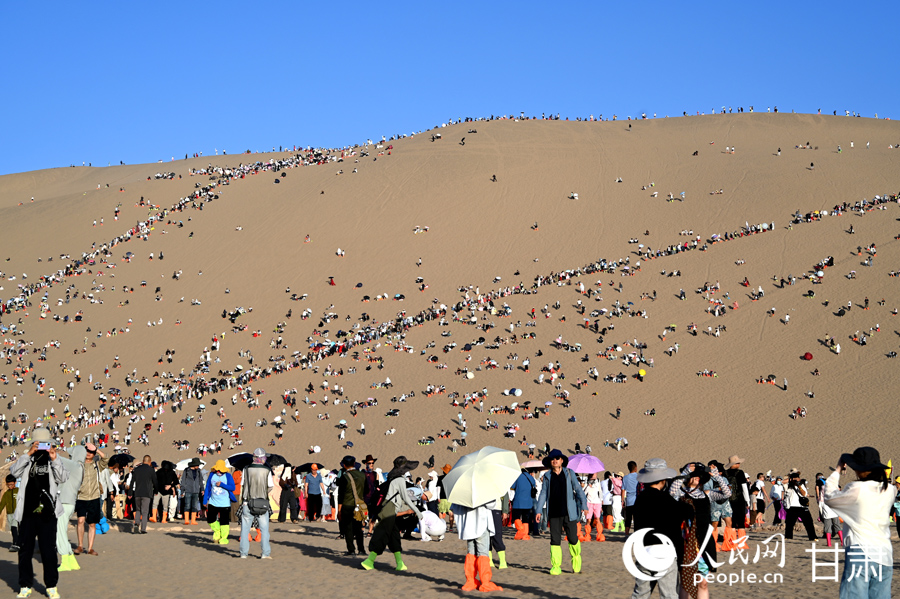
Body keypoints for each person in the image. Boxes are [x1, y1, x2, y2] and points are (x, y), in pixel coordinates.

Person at [824, 446, 896, 598]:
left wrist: (837, 470)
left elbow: (829, 497)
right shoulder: (890, 490)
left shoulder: (857, 488)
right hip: (885, 552)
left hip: (861, 550)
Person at [12, 428, 68, 599]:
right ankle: (25, 585)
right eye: (39, 444)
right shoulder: (27, 459)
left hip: (48, 514)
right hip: (27, 513)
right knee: (25, 551)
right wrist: (29, 453)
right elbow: (14, 472)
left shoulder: (54, 460)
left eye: (45, 444)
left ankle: (51, 586)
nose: (43, 447)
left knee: (49, 551)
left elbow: (63, 478)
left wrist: (54, 457)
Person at [629, 458, 693, 599]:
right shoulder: (665, 500)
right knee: (669, 594)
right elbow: (687, 511)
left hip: (644, 552)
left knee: (640, 594)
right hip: (664, 552)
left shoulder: (640, 499)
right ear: (663, 479)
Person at [670, 462, 732, 597]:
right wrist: (685, 472)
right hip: (686, 543)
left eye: (699, 476)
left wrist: (717, 477)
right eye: (694, 475)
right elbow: (672, 491)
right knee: (686, 582)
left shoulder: (707, 494)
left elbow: (727, 493)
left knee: (703, 582)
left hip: (704, 541)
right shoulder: (680, 493)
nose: (697, 477)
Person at [361, 456, 422, 572]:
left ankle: (400, 563)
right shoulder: (399, 480)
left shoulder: (393, 478)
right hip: (389, 509)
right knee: (382, 533)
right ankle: (369, 561)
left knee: (394, 535)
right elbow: (406, 498)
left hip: (389, 509)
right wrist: (418, 511)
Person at [534, 449, 588, 575]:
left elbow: (578, 489)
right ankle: (556, 566)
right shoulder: (547, 476)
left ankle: (576, 563)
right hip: (553, 513)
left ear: (562, 460)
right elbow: (543, 494)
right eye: (552, 459)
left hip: (569, 512)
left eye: (557, 458)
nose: (555, 461)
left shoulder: (569, 473)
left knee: (573, 538)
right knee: (555, 540)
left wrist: (584, 505)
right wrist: (538, 510)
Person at [453, 498, 502, 592]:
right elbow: (491, 505)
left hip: (467, 525)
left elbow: (454, 507)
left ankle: (470, 581)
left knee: (471, 553)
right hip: (481, 522)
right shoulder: (481, 489)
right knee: (483, 553)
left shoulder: (462, 490)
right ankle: (485, 583)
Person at [74, 442, 107, 556]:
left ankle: (90, 548)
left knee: (92, 524)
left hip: (94, 497)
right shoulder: (79, 464)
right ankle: (79, 545)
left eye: (91, 452)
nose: (89, 453)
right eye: (87, 451)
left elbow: (105, 459)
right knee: (80, 521)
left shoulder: (97, 465)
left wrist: (96, 449)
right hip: (81, 497)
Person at [239, 448, 273, 559]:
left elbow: (243, 485)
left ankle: (243, 554)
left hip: (247, 502)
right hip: (262, 503)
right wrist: (263, 493)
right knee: (264, 530)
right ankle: (265, 553)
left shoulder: (246, 469)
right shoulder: (267, 470)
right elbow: (270, 486)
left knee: (245, 530)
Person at [337, 455, 366, 555]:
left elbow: (341, 495)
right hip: (359, 505)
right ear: (354, 464)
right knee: (358, 528)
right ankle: (361, 550)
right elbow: (367, 490)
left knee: (348, 528)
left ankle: (351, 550)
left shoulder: (344, 477)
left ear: (344, 465)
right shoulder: (362, 475)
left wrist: (339, 510)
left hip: (347, 505)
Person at [203, 460, 236, 545]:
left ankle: (224, 538)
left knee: (224, 521)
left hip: (225, 503)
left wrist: (222, 485)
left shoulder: (228, 476)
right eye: (217, 470)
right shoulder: (212, 475)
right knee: (210, 519)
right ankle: (217, 531)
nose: (218, 472)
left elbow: (232, 488)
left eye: (220, 471)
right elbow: (207, 488)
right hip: (213, 502)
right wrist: (205, 500)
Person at [723, 455, 749, 549]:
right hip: (739, 498)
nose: (739, 464)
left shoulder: (725, 473)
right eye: (738, 462)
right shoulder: (740, 472)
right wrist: (747, 501)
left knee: (732, 521)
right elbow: (744, 487)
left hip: (728, 500)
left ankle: (732, 542)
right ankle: (742, 543)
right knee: (741, 520)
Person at [783, 471, 817, 541]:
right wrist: (790, 479)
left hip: (802, 507)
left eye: (797, 478)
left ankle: (813, 537)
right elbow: (781, 482)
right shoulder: (788, 486)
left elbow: (804, 494)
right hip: (792, 507)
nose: (796, 480)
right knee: (789, 523)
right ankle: (788, 537)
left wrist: (799, 486)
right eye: (794, 478)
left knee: (809, 523)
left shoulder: (801, 485)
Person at [131, 455, 158, 534]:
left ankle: (136, 524)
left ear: (143, 461)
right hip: (146, 493)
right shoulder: (151, 470)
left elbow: (132, 482)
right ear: (150, 462)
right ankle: (143, 529)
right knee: (145, 512)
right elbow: (155, 482)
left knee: (138, 510)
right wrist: (156, 491)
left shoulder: (136, 469)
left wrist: (130, 493)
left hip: (137, 492)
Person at [509, 469, 535, 540]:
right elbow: (534, 484)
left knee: (516, 517)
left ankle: (521, 531)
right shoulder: (530, 477)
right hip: (528, 501)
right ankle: (525, 535)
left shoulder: (517, 477)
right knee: (526, 519)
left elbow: (512, 487)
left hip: (518, 501)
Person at [180, 458, 204, 525]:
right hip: (188, 490)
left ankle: (193, 520)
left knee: (194, 506)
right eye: (198, 465)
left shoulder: (199, 471)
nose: (198, 466)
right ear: (194, 465)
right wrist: (182, 490)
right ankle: (186, 520)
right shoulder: (187, 470)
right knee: (187, 505)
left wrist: (202, 489)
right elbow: (183, 480)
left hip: (196, 491)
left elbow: (200, 481)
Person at [0, 474, 19, 552]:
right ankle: (17, 542)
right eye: (8, 485)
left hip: (17, 513)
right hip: (9, 514)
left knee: (15, 527)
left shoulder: (18, 491)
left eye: (11, 484)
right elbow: (2, 504)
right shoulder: (6, 493)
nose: (10, 486)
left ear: (15, 482)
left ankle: (15, 544)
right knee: (12, 529)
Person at [622, 461, 639, 534]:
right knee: (637, 519)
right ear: (635, 468)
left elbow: (623, 490)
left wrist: (622, 501)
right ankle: (636, 534)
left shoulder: (625, 478)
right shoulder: (639, 477)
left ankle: (626, 534)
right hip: (637, 500)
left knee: (628, 518)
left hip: (629, 501)